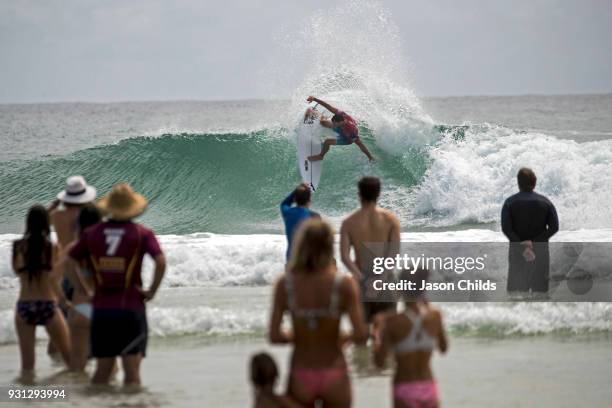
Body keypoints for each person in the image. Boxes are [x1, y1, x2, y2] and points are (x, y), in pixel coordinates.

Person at [66, 183, 166, 386]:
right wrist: (152, 291)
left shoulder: (92, 233)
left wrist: (84, 290)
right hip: (131, 308)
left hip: (102, 310)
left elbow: (69, 261)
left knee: (102, 371)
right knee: (131, 372)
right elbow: (161, 261)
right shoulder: (142, 233)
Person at [269, 219, 368, 407]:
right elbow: (361, 334)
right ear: (330, 246)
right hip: (334, 371)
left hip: (301, 372)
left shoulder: (286, 284)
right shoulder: (343, 284)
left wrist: (301, 335)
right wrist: (340, 337)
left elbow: (275, 335)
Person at [372, 268, 448, 408]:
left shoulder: (392, 322)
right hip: (429, 388)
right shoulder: (435, 316)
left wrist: (376, 335)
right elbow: (443, 349)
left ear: (400, 288)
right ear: (424, 287)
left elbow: (379, 362)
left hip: (405, 389)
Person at [12, 205, 71, 382]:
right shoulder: (52, 248)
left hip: (24, 306)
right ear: (47, 223)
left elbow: (17, 271)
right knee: (70, 360)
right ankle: (63, 398)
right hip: (47, 305)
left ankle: (28, 399)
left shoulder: (18, 247)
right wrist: (64, 300)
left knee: (27, 367)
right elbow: (55, 277)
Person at [47, 175, 96, 357]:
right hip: (79, 269)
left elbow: (40, 220)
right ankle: (84, 354)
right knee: (85, 314)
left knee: (60, 316)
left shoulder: (57, 215)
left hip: (61, 270)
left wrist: (55, 203)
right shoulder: (86, 217)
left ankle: (53, 355)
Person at [340, 176, 400, 323]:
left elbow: (344, 257)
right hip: (385, 281)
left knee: (361, 337)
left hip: (361, 282)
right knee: (387, 337)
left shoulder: (349, 223)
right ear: (379, 194)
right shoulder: (391, 220)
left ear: (359, 194)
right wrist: (381, 279)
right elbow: (393, 254)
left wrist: (361, 278)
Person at [54, 205, 101, 372]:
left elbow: (53, 278)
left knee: (77, 365)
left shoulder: (73, 248)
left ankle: (71, 396)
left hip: (79, 308)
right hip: (102, 310)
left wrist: (63, 301)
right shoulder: (104, 247)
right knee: (109, 366)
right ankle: (105, 398)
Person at [501, 168, 559, 294]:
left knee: (516, 295)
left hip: (517, 253)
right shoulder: (546, 202)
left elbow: (506, 228)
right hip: (540, 253)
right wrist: (534, 242)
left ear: (518, 183)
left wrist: (523, 245)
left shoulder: (510, 202)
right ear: (535, 182)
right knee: (540, 295)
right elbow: (554, 227)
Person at [305, 96, 374, 162]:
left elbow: (360, 144)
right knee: (323, 123)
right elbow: (328, 106)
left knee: (327, 142)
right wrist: (314, 99)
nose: (333, 125)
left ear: (341, 122)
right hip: (342, 127)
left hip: (346, 139)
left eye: (335, 124)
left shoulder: (351, 132)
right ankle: (322, 117)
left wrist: (370, 157)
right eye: (333, 123)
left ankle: (320, 156)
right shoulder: (342, 115)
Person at [280, 183, 319, 261]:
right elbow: (319, 242)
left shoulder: (287, 213)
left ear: (295, 200)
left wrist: (296, 190)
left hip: (291, 260)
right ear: (309, 200)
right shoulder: (314, 217)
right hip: (307, 261)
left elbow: (284, 203)